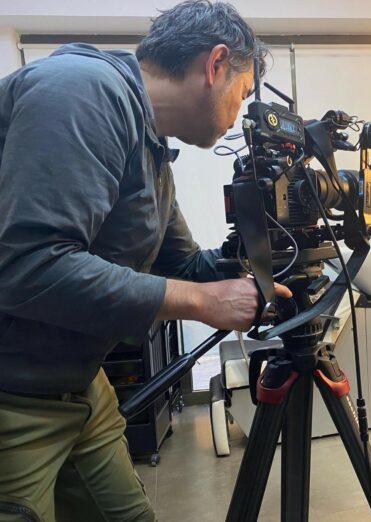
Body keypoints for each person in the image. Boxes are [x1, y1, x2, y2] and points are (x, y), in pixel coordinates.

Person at [0, 2, 292, 521]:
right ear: (215, 64)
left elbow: (182, 265)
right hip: (13, 396)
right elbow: (29, 265)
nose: (239, 113)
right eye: (243, 92)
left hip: (80, 384)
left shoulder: (151, 146)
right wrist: (202, 302)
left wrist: (256, 263)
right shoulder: (81, 92)